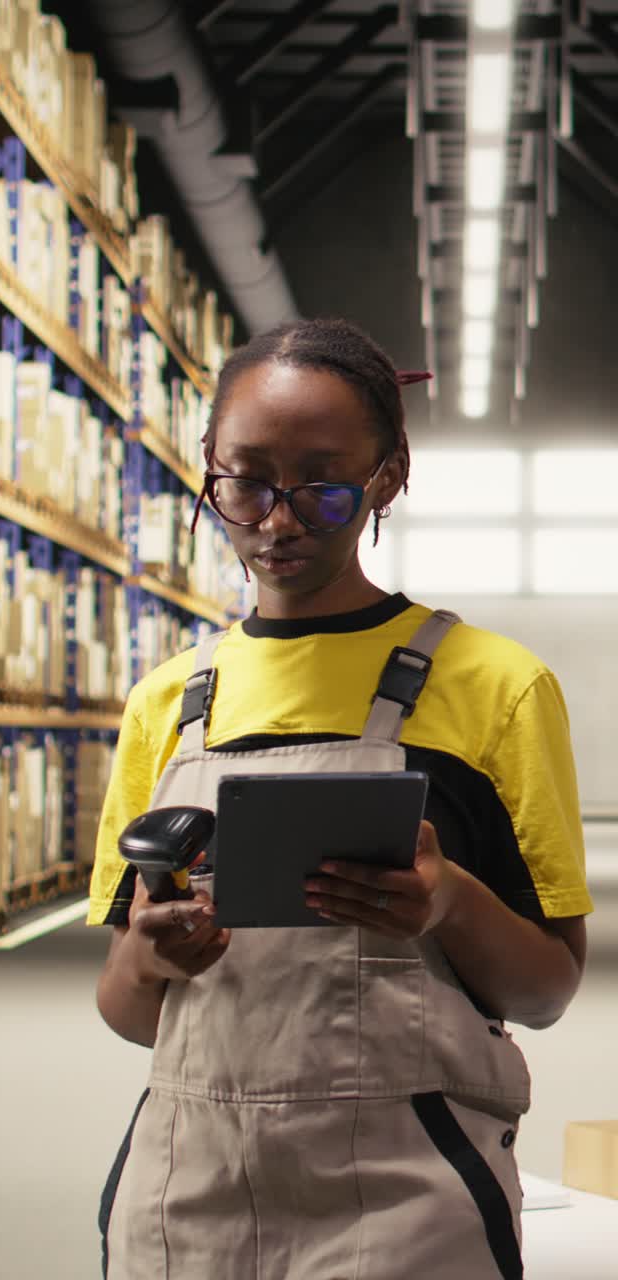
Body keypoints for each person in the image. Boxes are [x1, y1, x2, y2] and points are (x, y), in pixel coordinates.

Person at [89, 317, 592, 1280]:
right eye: (245, 483)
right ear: (210, 465)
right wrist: (151, 957)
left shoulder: (497, 689)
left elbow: (547, 992)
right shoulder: (167, 705)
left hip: (407, 1204)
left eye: (322, 488)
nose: (277, 523)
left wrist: (450, 902)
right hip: (185, 1198)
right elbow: (128, 1010)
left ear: (386, 479)